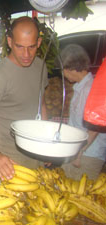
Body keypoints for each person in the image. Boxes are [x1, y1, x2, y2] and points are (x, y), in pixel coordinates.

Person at [0, 16, 48, 180]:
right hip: (10, 163)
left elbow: (41, 104)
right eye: (19, 46)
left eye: (31, 47)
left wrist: (46, 144)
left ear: (38, 42)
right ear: (9, 42)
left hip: (38, 157)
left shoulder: (41, 67)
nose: (26, 54)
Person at [60, 44, 106, 180]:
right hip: (77, 151)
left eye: (63, 68)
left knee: (79, 196)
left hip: (87, 155)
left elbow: (95, 128)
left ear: (71, 68)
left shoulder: (91, 90)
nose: (62, 73)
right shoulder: (81, 87)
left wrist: (79, 152)